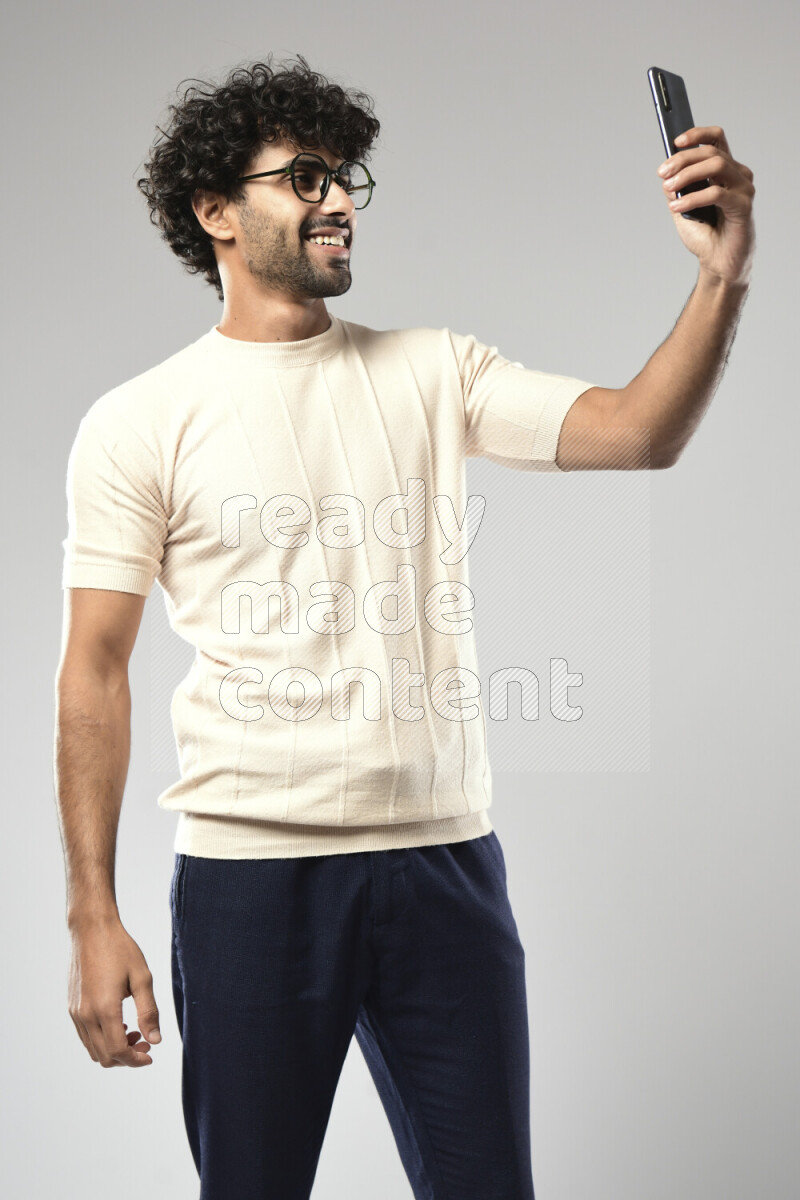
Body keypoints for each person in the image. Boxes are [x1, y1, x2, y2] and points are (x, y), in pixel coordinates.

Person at [53, 53, 754, 1200]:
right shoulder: (139, 423)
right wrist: (93, 912)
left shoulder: (431, 370)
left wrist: (722, 276)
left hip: (442, 867)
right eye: (305, 176)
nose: (336, 199)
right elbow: (94, 668)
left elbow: (638, 432)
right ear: (216, 212)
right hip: (252, 879)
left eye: (346, 176)